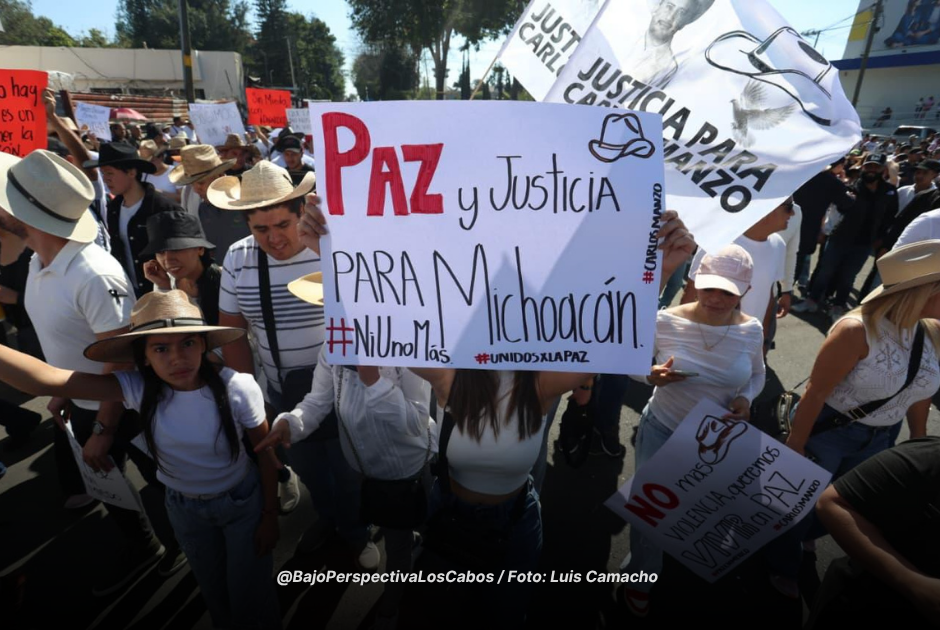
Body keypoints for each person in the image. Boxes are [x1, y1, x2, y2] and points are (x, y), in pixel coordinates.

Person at [296, 194, 699, 625]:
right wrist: (332, 250)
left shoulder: (543, 384)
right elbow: (376, 318)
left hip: (516, 526)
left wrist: (662, 268)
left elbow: (611, 334)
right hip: (448, 519)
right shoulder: (450, 377)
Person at [0, 290, 282, 630]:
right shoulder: (137, 388)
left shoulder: (238, 388)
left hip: (241, 503)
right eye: (160, 348)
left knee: (250, 595)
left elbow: (265, 455)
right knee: (215, 591)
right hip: (183, 509)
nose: (177, 358)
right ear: (144, 357)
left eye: (187, 343)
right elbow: (46, 379)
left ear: (204, 345)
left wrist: (269, 515)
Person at [0, 149, 183, 592]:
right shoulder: (37, 262)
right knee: (107, 485)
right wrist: (65, 395)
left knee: (165, 486)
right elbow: (71, 344)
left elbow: (121, 357)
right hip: (85, 403)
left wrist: (103, 424)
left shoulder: (92, 273)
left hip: (123, 407)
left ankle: (184, 548)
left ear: (17, 216)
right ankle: (145, 546)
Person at [210, 162, 377, 566]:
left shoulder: (335, 246)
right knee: (311, 470)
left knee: (351, 471)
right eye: (260, 229)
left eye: (282, 224)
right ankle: (327, 519)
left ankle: (357, 531)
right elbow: (232, 334)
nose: (274, 238)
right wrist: (248, 402)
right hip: (281, 392)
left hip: (343, 387)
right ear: (246, 224)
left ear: (302, 210)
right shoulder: (238, 259)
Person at [258, 273, 433, 630]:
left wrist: (374, 380)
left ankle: (395, 601)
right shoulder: (332, 349)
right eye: (333, 308)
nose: (342, 318)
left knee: (401, 542)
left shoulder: (408, 346)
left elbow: (417, 423)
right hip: (366, 469)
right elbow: (318, 400)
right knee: (391, 523)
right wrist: (291, 422)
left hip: (406, 470)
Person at [766, 240, 940, 598]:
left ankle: (806, 540)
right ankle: (782, 566)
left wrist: (915, 443)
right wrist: (796, 444)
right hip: (828, 432)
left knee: (848, 508)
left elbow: (919, 390)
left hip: (882, 438)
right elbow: (816, 392)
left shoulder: (932, 330)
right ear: (926, 291)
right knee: (796, 507)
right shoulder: (855, 330)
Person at [620, 244, 765, 617]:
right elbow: (629, 362)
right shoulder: (664, 320)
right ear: (694, 280)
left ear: (745, 291)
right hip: (664, 429)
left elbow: (758, 374)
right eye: (709, 287)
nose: (716, 299)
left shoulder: (752, 329)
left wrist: (746, 399)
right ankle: (642, 575)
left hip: (715, 441)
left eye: (727, 291)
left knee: (691, 509)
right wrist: (649, 375)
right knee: (651, 515)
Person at [809, 437, 940, 627]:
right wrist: (915, 584)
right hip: (862, 603)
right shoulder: (929, 457)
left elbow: (916, 405)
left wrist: (916, 430)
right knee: (801, 512)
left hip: (875, 435)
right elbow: (833, 502)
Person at [794, 154, 898, 319]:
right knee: (825, 272)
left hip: (864, 243)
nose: (871, 170)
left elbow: (890, 217)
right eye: (868, 166)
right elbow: (835, 210)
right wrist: (824, 230)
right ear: (863, 167)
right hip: (839, 238)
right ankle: (812, 301)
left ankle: (838, 305)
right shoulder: (850, 187)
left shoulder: (889, 192)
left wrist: (881, 239)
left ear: (882, 169)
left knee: (848, 277)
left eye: (875, 167)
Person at [685, 198, 793, 351]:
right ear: (768, 208)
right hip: (706, 343)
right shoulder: (719, 240)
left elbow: (768, 294)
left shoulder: (779, 245)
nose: (793, 213)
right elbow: (691, 292)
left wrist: (763, 342)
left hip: (746, 345)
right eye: (788, 208)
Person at [86, 142, 183, 297]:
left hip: (164, 294)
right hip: (129, 293)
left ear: (131, 172)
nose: (105, 180)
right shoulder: (114, 209)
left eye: (110, 173)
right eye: (103, 174)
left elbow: (182, 258)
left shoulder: (163, 208)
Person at [141, 211, 222, 324]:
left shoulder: (225, 282)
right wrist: (164, 288)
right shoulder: (166, 282)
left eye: (176, 249)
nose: (168, 259)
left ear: (200, 249)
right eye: (160, 252)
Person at [794, 163, 855, 295]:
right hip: (806, 232)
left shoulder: (797, 171)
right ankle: (782, 294)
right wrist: (847, 191)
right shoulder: (832, 182)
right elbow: (846, 204)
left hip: (782, 225)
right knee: (795, 264)